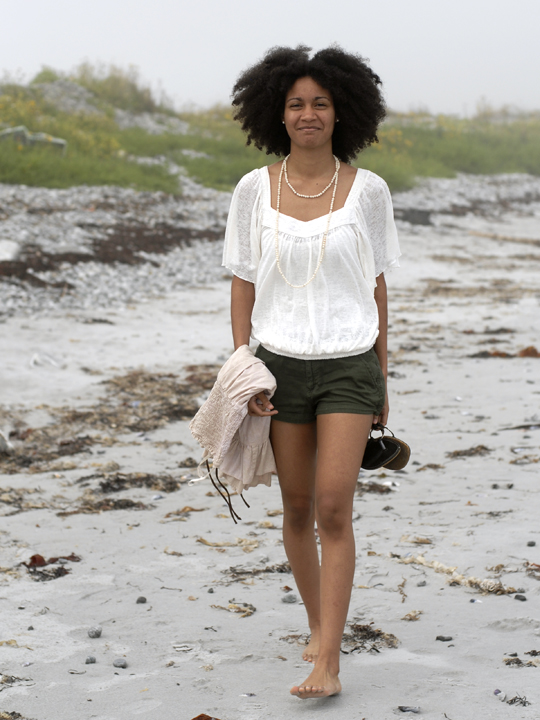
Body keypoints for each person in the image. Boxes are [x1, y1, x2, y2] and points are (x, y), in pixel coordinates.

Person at [223, 45, 400, 699]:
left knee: (332, 506)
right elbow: (243, 285)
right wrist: (244, 366)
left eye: (320, 103)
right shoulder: (253, 190)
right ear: (277, 111)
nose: (307, 114)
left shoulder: (368, 191)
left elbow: (378, 289)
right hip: (279, 369)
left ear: (341, 111)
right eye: (296, 103)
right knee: (295, 508)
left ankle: (328, 662)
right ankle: (318, 625)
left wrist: (383, 379)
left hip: (349, 365)